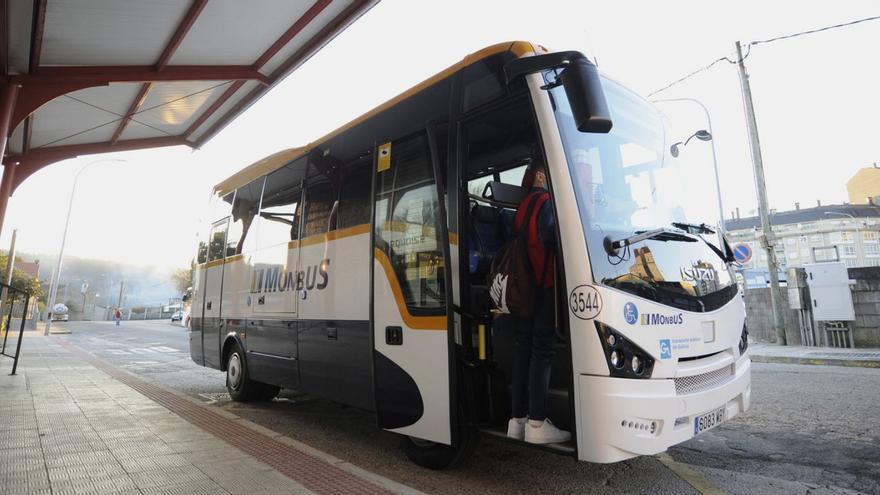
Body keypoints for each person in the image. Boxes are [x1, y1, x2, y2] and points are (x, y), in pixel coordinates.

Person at [506, 162, 571, 445]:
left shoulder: (521, 206)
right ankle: (537, 422)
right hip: (544, 290)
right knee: (541, 353)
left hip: (524, 291)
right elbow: (554, 241)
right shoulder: (544, 202)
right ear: (541, 175)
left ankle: (516, 421)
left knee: (523, 351)